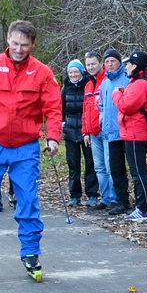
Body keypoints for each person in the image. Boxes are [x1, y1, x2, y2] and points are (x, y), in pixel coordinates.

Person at [0, 20, 61, 280]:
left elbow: (53, 107)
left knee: (27, 201)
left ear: (32, 45)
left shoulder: (42, 73)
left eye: (24, 45)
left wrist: (53, 137)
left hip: (25, 147)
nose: (19, 49)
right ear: (8, 39)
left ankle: (30, 252)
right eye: (15, 43)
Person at [112, 50, 147, 220]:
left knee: (138, 173)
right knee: (138, 172)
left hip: (136, 134)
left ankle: (143, 209)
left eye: (128, 63)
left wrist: (117, 94)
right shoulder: (138, 83)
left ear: (135, 65)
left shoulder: (141, 84)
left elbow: (126, 106)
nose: (125, 66)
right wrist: (125, 92)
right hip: (134, 133)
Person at [99, 49, 132, 215]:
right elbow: (102, 105)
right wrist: (101, 120)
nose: (110, 64)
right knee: (116, 169)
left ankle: (143, 202)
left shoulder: (127, 78)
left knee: (134, 168)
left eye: (113, 61)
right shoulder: (104, 82)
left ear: (119, 62)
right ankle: (121, 201)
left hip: (126, 130)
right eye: (107, 62)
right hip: (110, 133)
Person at [61, 59, 97, 206]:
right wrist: (62, 124)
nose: (73, 74)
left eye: (75, 71)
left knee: (90, 163)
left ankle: (92, 194)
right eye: (70, 72)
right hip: (70, 131)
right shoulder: (65, 88)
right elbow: (59, 108)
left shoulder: (88, 85)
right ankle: (75, 196)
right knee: (73, 165)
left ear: (81, 72)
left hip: (86, 131)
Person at [81, 51, 111, 209]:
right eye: (88, 65)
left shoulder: (106, 80)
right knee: (99, 168)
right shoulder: (87, 84)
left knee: (109, 166)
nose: (91, 67)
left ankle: (114, 198)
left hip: (105, 132)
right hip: (92, 133)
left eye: (93, 64)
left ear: (101, 64)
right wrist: (85, 131)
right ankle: (105, 199)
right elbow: (85, 110)